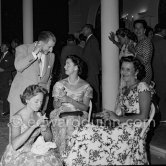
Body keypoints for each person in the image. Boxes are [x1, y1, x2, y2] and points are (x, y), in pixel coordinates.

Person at [63, 56, 153, 165]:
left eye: (128, 69)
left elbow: (143, 116)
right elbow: (119, 113)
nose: (124, 72)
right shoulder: (124, 89)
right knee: (82, 128)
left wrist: (118, 118)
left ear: (136, 71)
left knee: (86, 134)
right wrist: (103, 114)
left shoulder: (142, 86)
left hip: (135, 129)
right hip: (123, 125)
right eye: (122, 68)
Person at [0, 84, 62, 166]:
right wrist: (34, 126)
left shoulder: (39, 115)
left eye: (41, 101)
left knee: (52, 160)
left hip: (32, 149)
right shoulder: (17, 118)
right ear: (27, 100)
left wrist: (45, 129)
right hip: (17, 154)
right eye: (36, 101)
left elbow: (48, 139)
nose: (39, 105)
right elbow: (15, 145)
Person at [50, 54, 93, 158]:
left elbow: (85, 108)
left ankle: (72, 156)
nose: (64, 67)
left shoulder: (86, 86)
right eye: (65, 64)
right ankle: (63, 154)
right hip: (61, 113)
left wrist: (69, 100)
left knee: (70, 122)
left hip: (79, 114)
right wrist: (60, 101)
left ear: (76, 67)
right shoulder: (59, 84)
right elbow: (55, 105)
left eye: (68, 64)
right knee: (65, 122)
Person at [8, 31, 56, 119]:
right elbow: (18, 66)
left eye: (52, 47)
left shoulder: (51, 56)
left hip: (37, 102)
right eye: (49, 47)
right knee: (16, 127)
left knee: (33, 129)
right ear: (40, 43)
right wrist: (33, 54)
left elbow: (48, 78)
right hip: (20, 97)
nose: (51, 50)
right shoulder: (22, 49)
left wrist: (44, 101)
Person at [81, 24, 101, 113]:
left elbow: (97, 54)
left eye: (84, 29)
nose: (82, 31)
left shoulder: (93, 40)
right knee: (91, 90)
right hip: (90, 69)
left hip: (92, 69)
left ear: (89, 30)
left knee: (95, 90)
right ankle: (93, 109)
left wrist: (100, 66)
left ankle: (97, 109)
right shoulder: (89, 40)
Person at [128, 19, 153, 84]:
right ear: (133, 30)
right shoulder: (140, 41)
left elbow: (145, 61)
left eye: (140, 28)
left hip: (144, 72)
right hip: (139, 71)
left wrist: (133, 51)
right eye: (136, 28)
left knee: (142, 92)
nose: (138, 30)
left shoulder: (146, 41)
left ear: (144, 30)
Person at [152, 23, 166, 121]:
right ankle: (163, 117)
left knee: (155, 96)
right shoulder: (162, 41)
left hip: (153, 72)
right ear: (163, 30)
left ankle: (156, 116)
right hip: (162, 72)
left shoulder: (151, 40)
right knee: (163, 96)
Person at [0, 42, 15, 117]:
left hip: (6, 78)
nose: (1, 47)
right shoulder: (1, 55)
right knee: (2, 95)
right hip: (1, 78)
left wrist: (4, 70)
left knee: (5, 95)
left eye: (3, 46)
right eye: (1, 46)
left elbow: (14, 67)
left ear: (7, 48)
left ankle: (6, 111)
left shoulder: (10, 56)